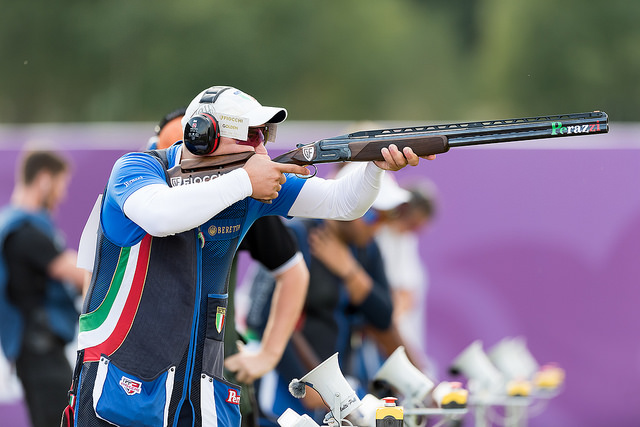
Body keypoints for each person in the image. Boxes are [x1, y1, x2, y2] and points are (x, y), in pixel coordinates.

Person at [67, 85, 433, 427]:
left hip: (198, 396)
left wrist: (374, 169)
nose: (263, 150)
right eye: (253, 136)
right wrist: (245, 183)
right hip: (120, 396)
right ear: (203, 134)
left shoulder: (247, 189)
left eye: (265, 136)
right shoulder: (136, 168)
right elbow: (161, 216)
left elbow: (343, 202)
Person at [245, 166, 414, 425]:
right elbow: (261, 314)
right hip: (286, 390)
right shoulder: (298, 235)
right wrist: (307, 380)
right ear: (350, 201)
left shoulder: (364, 248)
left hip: (339, 390)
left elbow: (383, 317)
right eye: (371, 216)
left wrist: (350, 272)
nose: (377, 226)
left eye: (385, 216)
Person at [0, 150, 84, 427]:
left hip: (34, 350)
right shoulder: (25, 232)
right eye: (61, 185)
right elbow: (79, 274)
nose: (62, 196)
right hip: (40, 350)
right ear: (44, 180)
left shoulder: (15, 227)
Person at [375, 180, 438, 374]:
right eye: (412, 223)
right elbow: (400, 298)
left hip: (399, 337)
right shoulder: (378, 236)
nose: (413, 230)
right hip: (383, 338)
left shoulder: (406, 240)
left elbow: (405, 298)